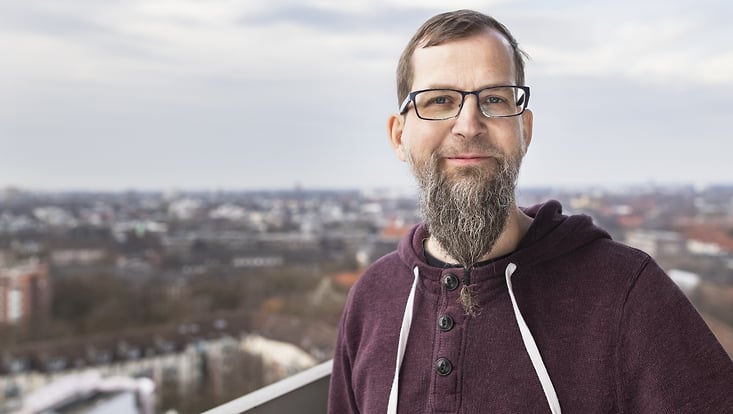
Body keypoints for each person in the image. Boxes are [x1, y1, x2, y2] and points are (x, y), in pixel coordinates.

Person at [328, 9, 733, 414]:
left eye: (494, 99)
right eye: (439, 101)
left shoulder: (625, 291)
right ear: (399, 136)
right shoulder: (371, 298)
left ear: (525, 130)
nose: (469, 124)